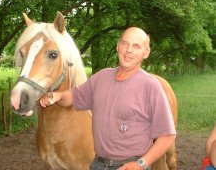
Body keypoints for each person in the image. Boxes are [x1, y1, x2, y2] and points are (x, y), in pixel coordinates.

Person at [40, 27, 176, 170]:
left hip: (131, 165)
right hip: (98, 164)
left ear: (146, 53)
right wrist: (58, 95)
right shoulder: (101, 77)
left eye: (136, 46)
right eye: (125, 43)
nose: (128, 50)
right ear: (118, 46)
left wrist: (141, 164)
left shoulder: (151, 86)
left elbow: (167, 136)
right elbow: (73, 96)